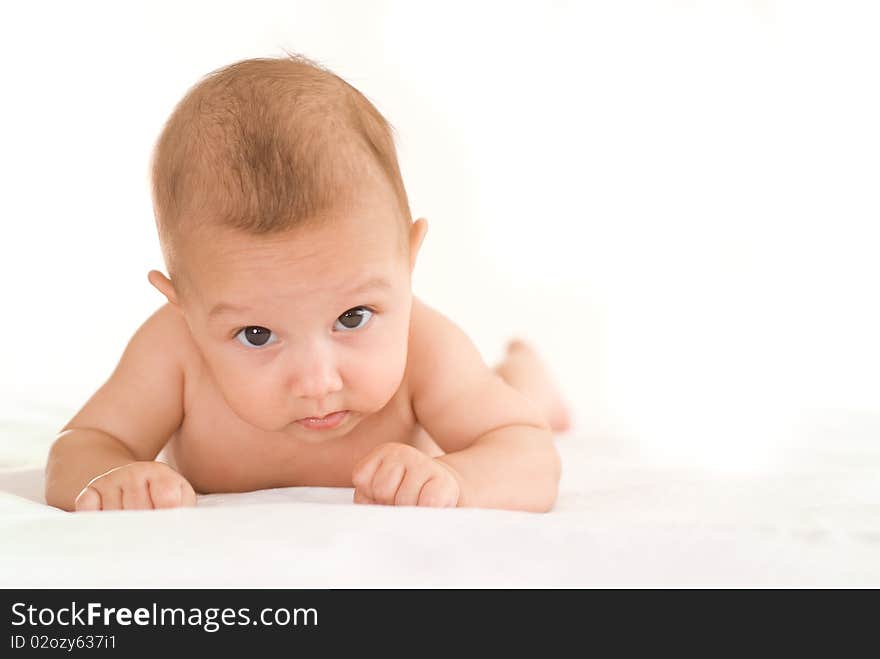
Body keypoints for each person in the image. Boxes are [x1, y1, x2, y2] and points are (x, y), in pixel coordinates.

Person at [44, 54, 569, 513]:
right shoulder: (173, 351)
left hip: (452, 409)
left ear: (407, 261)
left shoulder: (426, 348)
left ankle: (526, 377)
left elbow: (528, 454)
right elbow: (85, 443)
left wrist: (457, 478)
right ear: (185, 307)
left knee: (506, 401)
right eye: (256, 335)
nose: (318, 382)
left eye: (353, 318)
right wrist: (105, 478)